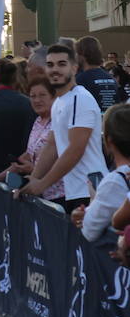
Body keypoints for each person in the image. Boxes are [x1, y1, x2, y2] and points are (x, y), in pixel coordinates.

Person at [19, 43, 106, 212]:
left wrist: (41, 184)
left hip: (89, 191)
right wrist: (34, 179)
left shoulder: (80, 99)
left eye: (62, 64)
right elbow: (52, 146)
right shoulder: (59, 101)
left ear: (74, 68)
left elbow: (75, 149)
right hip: (75, 192)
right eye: (50, 65)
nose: (55, 69)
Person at [72, 105, 130, 242]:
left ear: (109, 140)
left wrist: (93, 199)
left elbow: (89, 231)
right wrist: (86, 212)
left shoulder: (115, 182)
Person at [76, 35, 121, 111]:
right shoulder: (111, 79)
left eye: (77, 53)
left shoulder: (80, 79)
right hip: (110, 120)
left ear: (82, 54)